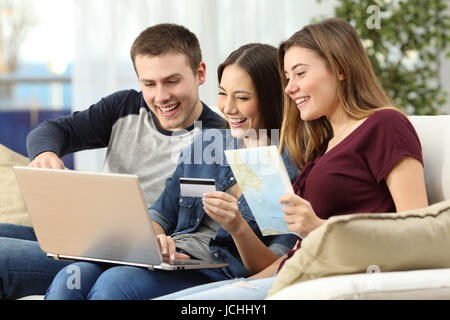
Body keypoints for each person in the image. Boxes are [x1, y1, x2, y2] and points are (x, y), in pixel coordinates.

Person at [155, 17, 429, 300]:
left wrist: (319, 229)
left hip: (327, 281)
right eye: (287, 78)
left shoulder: (385, 124)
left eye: (300, 74)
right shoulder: (322, 147)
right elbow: (294, 254)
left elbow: (418, 233)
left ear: (340, 69)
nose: (288, 88)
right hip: (290, 276)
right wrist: (242, 286)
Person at [44, 43, 298, 300]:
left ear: (271, 98)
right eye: (222, 93)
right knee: (72, 277)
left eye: (242, 97)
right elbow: (160, 214)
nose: (228, 108)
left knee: (114, 284)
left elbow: (273, 266)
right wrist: (155, 242)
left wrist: (237, 227)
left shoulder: (288, 165)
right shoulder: (209, 142)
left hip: (221, 268)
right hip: (176, 257)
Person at [0, 23, 225, 300]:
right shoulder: (124, 108)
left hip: (131, 257)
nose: (161, 96)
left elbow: (189, 225)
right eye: (149, 84)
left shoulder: (218, 139)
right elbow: (51, 131)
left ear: (199, 73)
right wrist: (46, 154)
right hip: (84, 237)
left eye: (172, 81)